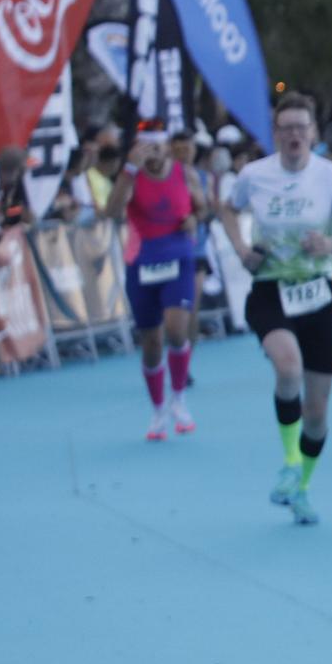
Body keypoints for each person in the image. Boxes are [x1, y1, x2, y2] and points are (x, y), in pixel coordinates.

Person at [217, 92, 332, 525]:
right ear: (275, 134)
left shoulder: (331, 177)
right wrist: (242, 249)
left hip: (318, 294)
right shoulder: (254, 175)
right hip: (271, 289)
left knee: (317, 413)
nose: (294, 136)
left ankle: (301, 487)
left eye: (302, 128)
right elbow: (227, 210)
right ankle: (288, 460)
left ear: (313, 133)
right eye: (286, 128)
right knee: (288, 368)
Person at [105, 125, 208, 439]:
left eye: (157, 148)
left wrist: (194, 218)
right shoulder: (132, 177)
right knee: (151, 342)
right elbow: (111, 211)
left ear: (167, 148)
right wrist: (127, 171)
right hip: (142, 263)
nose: (153, 155)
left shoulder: (184, 173)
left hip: (179, 257)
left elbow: (202, 206)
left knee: (177, 329)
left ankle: (179, 398)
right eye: (145, 149)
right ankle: (158, 409)